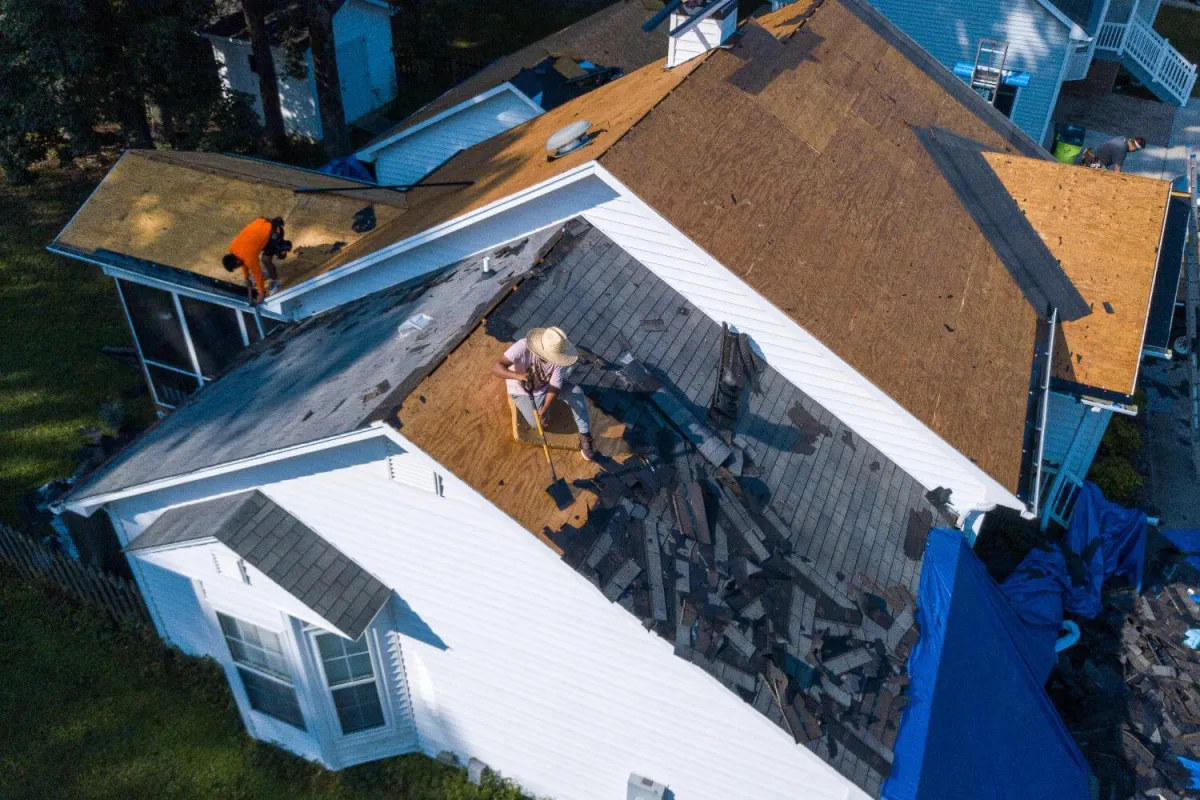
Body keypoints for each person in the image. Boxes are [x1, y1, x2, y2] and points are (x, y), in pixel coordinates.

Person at [492, 326, 595, 461]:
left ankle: (584, 434)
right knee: (538, 424)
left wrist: (545, 408)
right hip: (521, 391)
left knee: (576, 392)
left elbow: (554, 387)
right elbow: (496, 368)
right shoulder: (522, 346)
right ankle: (532, 406)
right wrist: (518, 376)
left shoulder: (560, 358)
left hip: (545, 386)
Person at [222, 217, 290, 302]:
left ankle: (275, 282)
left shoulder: (249, 258)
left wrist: (261, 293)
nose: (238, 267)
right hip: (263, 223)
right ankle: (269, 271)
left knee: (266, 259)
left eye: (236, 267)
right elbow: (242, 262)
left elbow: (258, 275)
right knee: (259, 255)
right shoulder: (233, 248)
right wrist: (246, 277)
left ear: (236, 261)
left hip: (275, 232)